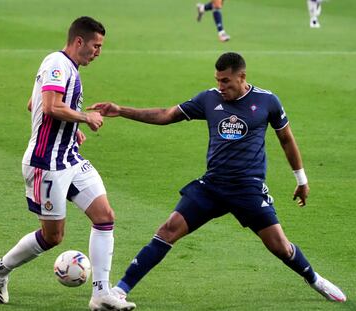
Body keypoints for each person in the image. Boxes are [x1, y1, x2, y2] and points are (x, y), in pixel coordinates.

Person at [88, 52, 347, 306]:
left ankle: (315, 279)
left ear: (242, 77)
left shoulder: (267, 101)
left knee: (280, 247)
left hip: (248, 189)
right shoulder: (209, 99)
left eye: (225, 81)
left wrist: (301, 180)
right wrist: (121, 110)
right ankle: (120, 290)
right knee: (167, 230)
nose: (220, 86)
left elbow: (286, 138)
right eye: (217, 80)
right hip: (212, 186)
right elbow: (166, 115)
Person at [0, 16, 136, 311]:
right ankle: (0, 269)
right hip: (46, 163)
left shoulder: (68, 68)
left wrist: (70, 129)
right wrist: (84, 118)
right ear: (79, 41)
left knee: (105, 216)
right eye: (96, 45)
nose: (98, 52)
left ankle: (101, 294)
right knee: (53, 237)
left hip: (69, 157)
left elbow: (35, 104)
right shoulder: (58, 64)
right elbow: (51, 106)